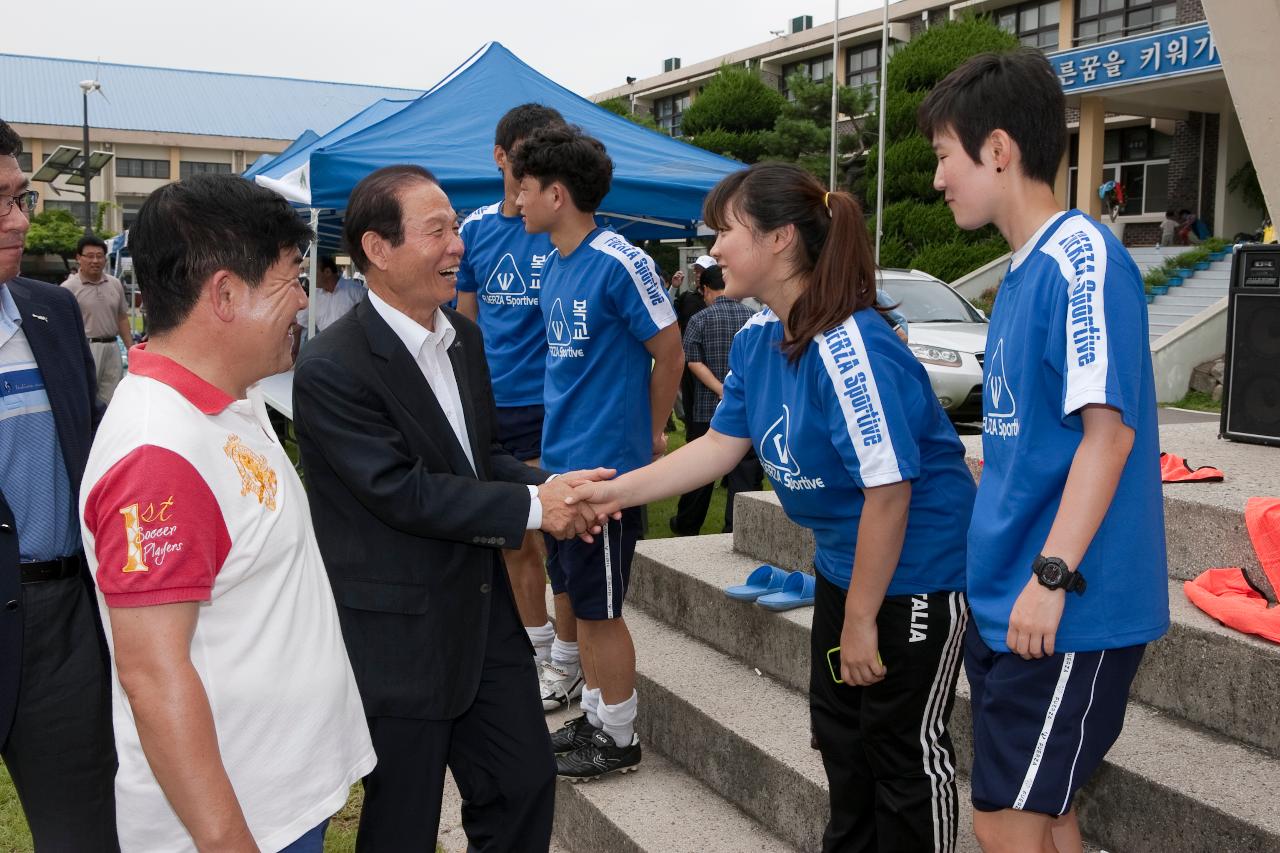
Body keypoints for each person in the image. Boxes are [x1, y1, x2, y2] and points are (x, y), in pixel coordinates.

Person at [567, 161, 975, 850]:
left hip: (919, 574)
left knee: (903, 751)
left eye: (725, 231)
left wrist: (865, 617)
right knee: (842, 741)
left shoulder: (851, 346)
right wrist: (615, 491)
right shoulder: (759, 337)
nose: (713, 249)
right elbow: (721, 447)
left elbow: (890, 489)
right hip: (849, 570)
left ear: (782, 238)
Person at [293, 164, 610, 850]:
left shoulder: (462, 340)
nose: (458, 246)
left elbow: (479, 457)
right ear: (378, 249)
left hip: (483, 615)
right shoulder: (332, 368)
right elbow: (402, 490)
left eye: (457, 229)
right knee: (403, 821)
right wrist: (535, 506)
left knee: (524, 783)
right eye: (436, 230)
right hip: (399, 636)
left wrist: (558, 486)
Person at [79, 173, 376, 852]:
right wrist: (226, 839)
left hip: (280, 794)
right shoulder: (159, 452)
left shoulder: (232, 395)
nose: (304, 300)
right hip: (241, 823)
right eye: (289, 279)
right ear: (224, 294)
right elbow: (153, 673)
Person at [919, 49, 1168, 853]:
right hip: (1011, 599)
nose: (937, 179)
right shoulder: (1026, 272)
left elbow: (1111, 433)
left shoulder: (1081, 259)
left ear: (998, 149)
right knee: (1050, 812)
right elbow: (1045, 434)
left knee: (1003, 822)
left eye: (943, 157)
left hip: (1063, 605)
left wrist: (1050, 576)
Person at [511, 124, 683, 780]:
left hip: (607, 470)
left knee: (602, 609)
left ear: (557, 194)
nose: (517, 200)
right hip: (563, 468)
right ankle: (597, 711)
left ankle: (617, 733)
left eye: (525, 189)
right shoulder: (555, 263)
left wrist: (650, 434)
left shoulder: (618, 259)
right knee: (580, 599)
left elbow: (668, 350)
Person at [0, 117, 118, 852]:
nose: (17, 219)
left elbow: (96, 445)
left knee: (87, 834)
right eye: (0, 201)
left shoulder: (51, 313)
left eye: (21, 198)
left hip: (63, 626)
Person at [456, 103, 569, 682]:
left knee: (558, 535)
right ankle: (538, 647)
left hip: (552, 407)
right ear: (501, 156)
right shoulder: (473, 230)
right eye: (524, 155)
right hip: (493, 408)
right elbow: (465, 324)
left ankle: (569, 657)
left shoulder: (561, 230)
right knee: (512, 536)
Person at [668, 264, 761, 536]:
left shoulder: (699, 320)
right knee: (745, 474)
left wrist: (721, 390)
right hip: (746, 408)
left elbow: (693, 362)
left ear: (706, 289)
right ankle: (739, 529)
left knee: (699, 475)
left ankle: (687, 525)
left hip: (707, 408)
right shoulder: (753, 317)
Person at [62, 234, 133, 405]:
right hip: (85, 349)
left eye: (100, 256)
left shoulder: (115, 284)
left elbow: (122, 317)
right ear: (79, 258)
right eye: (90, 256)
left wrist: (131, 349)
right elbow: (63, 327)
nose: (95, 260)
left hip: (112, 348)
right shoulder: (68, 289)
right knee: (85, 397)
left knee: (112, 396)